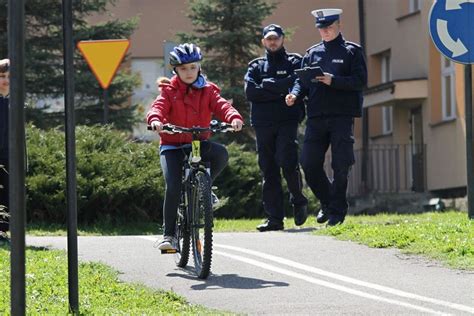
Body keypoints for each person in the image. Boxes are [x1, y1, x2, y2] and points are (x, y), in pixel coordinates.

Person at [147, 43, 244, 250]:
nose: (189, 72)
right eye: (183, 69)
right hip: (172, 146)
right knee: (173, 185)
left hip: (198, 143)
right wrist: (156, 120)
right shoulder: (169, 91)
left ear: (199, 67)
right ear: (176, 70)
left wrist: (234, 117)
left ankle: (205, 187)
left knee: (221, 154)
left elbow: (222, 105)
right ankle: (169, 236)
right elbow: (158, 108)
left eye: (192, 67)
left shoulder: (208, 90)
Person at [286, 9, 367, 226]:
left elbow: (360, 81)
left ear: (338, 25)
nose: (325, 31)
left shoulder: (352, 51)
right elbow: (301, 80)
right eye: (321, 28)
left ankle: (337, 213)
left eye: (329, 27)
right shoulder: (312, 53)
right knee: (309, 163)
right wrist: (294, 94)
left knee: (341, 165)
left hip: (341, 116)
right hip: (316, 117)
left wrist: (335, 81)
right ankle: (328, 202)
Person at [244, 24, 308, 232]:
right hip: (263, 124)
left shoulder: (294, 62)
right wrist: (282, 88)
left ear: (282, 39)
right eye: (269, 38)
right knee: (268, 168)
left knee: (287, 161)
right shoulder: (255, 66)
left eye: (276, 38)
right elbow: (251, 93)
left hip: (287, 120)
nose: (272, 42)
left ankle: (298, 201)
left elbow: (300, 83)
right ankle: (274, 219)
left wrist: (273, 88)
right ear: (263, 41)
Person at [0, 59, 10, 245]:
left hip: (10, 155)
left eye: (9, 76)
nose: (5, 80)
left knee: (9, 192)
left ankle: (4, 230)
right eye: (1, 76)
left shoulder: (13, 102)